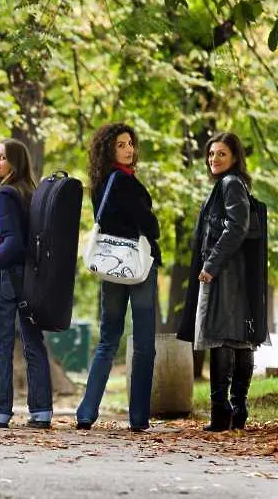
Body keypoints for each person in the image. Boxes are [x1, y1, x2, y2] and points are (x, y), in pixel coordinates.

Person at [76, 123, 161, 432]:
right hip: (138, 267)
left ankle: (86, 411)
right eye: (122, 145)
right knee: (142, 343)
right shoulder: (125, 183)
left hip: (111, 267)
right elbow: (148, 224)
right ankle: (138, 417)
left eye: (130, 144)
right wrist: (154, 226)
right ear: (109, 148)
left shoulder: (101, 183)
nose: (129, 149)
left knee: (108, 339)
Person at [177, 132, 259, 431]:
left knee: (222, 337)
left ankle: (222, 412)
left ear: (235, 158)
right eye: (211, 154)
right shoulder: (233, 185)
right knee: (238, 339)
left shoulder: (229, 184)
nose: (214, 159)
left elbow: (237, 228)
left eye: (221, 154)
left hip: (224, 271)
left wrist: (210, 265)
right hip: (234, 271)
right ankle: (236, 411)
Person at [0, 139, 54, 429]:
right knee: (33, 343)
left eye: (2, 157)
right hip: (29, 278)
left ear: (16, 163)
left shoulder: (4, 195)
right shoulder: (31, 194)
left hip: (5, 277)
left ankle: (0, 413)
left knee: (1, 347)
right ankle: (42, 412)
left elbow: (13, 242)